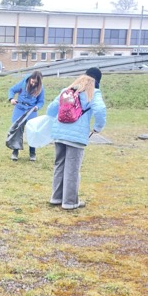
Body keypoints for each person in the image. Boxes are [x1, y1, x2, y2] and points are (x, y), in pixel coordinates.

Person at [45, 67, 107, 210]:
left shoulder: (66, 90)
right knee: (72, 168)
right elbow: (100, 110)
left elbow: (51, 109)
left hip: (59, 133)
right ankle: (70, 202)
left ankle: (56, 197)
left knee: (59, 165)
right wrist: (98, 127)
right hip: (76, 136)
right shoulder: (94, 93)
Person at [7, 70, 45, 161]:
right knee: (17, 129)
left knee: (33, 131)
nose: (33, 84)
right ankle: (15, 151)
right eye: (32, 81)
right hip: (19, 108)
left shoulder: (41, 88)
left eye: (35, 83)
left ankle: (32, 153)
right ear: (30, 79)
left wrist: (37, 107)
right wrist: (11, 99)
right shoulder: (23, 83)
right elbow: (12, 90)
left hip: (31, 111)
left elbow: (41, 101)